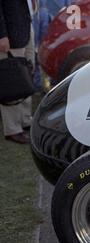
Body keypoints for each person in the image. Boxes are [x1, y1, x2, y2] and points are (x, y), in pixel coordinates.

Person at [0, 0, 35, 144]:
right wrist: (1, 35)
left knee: (26, 74)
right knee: (12, 79)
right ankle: (13, 129)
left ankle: (25, 120)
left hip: (24, 28)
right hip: (9, 35)